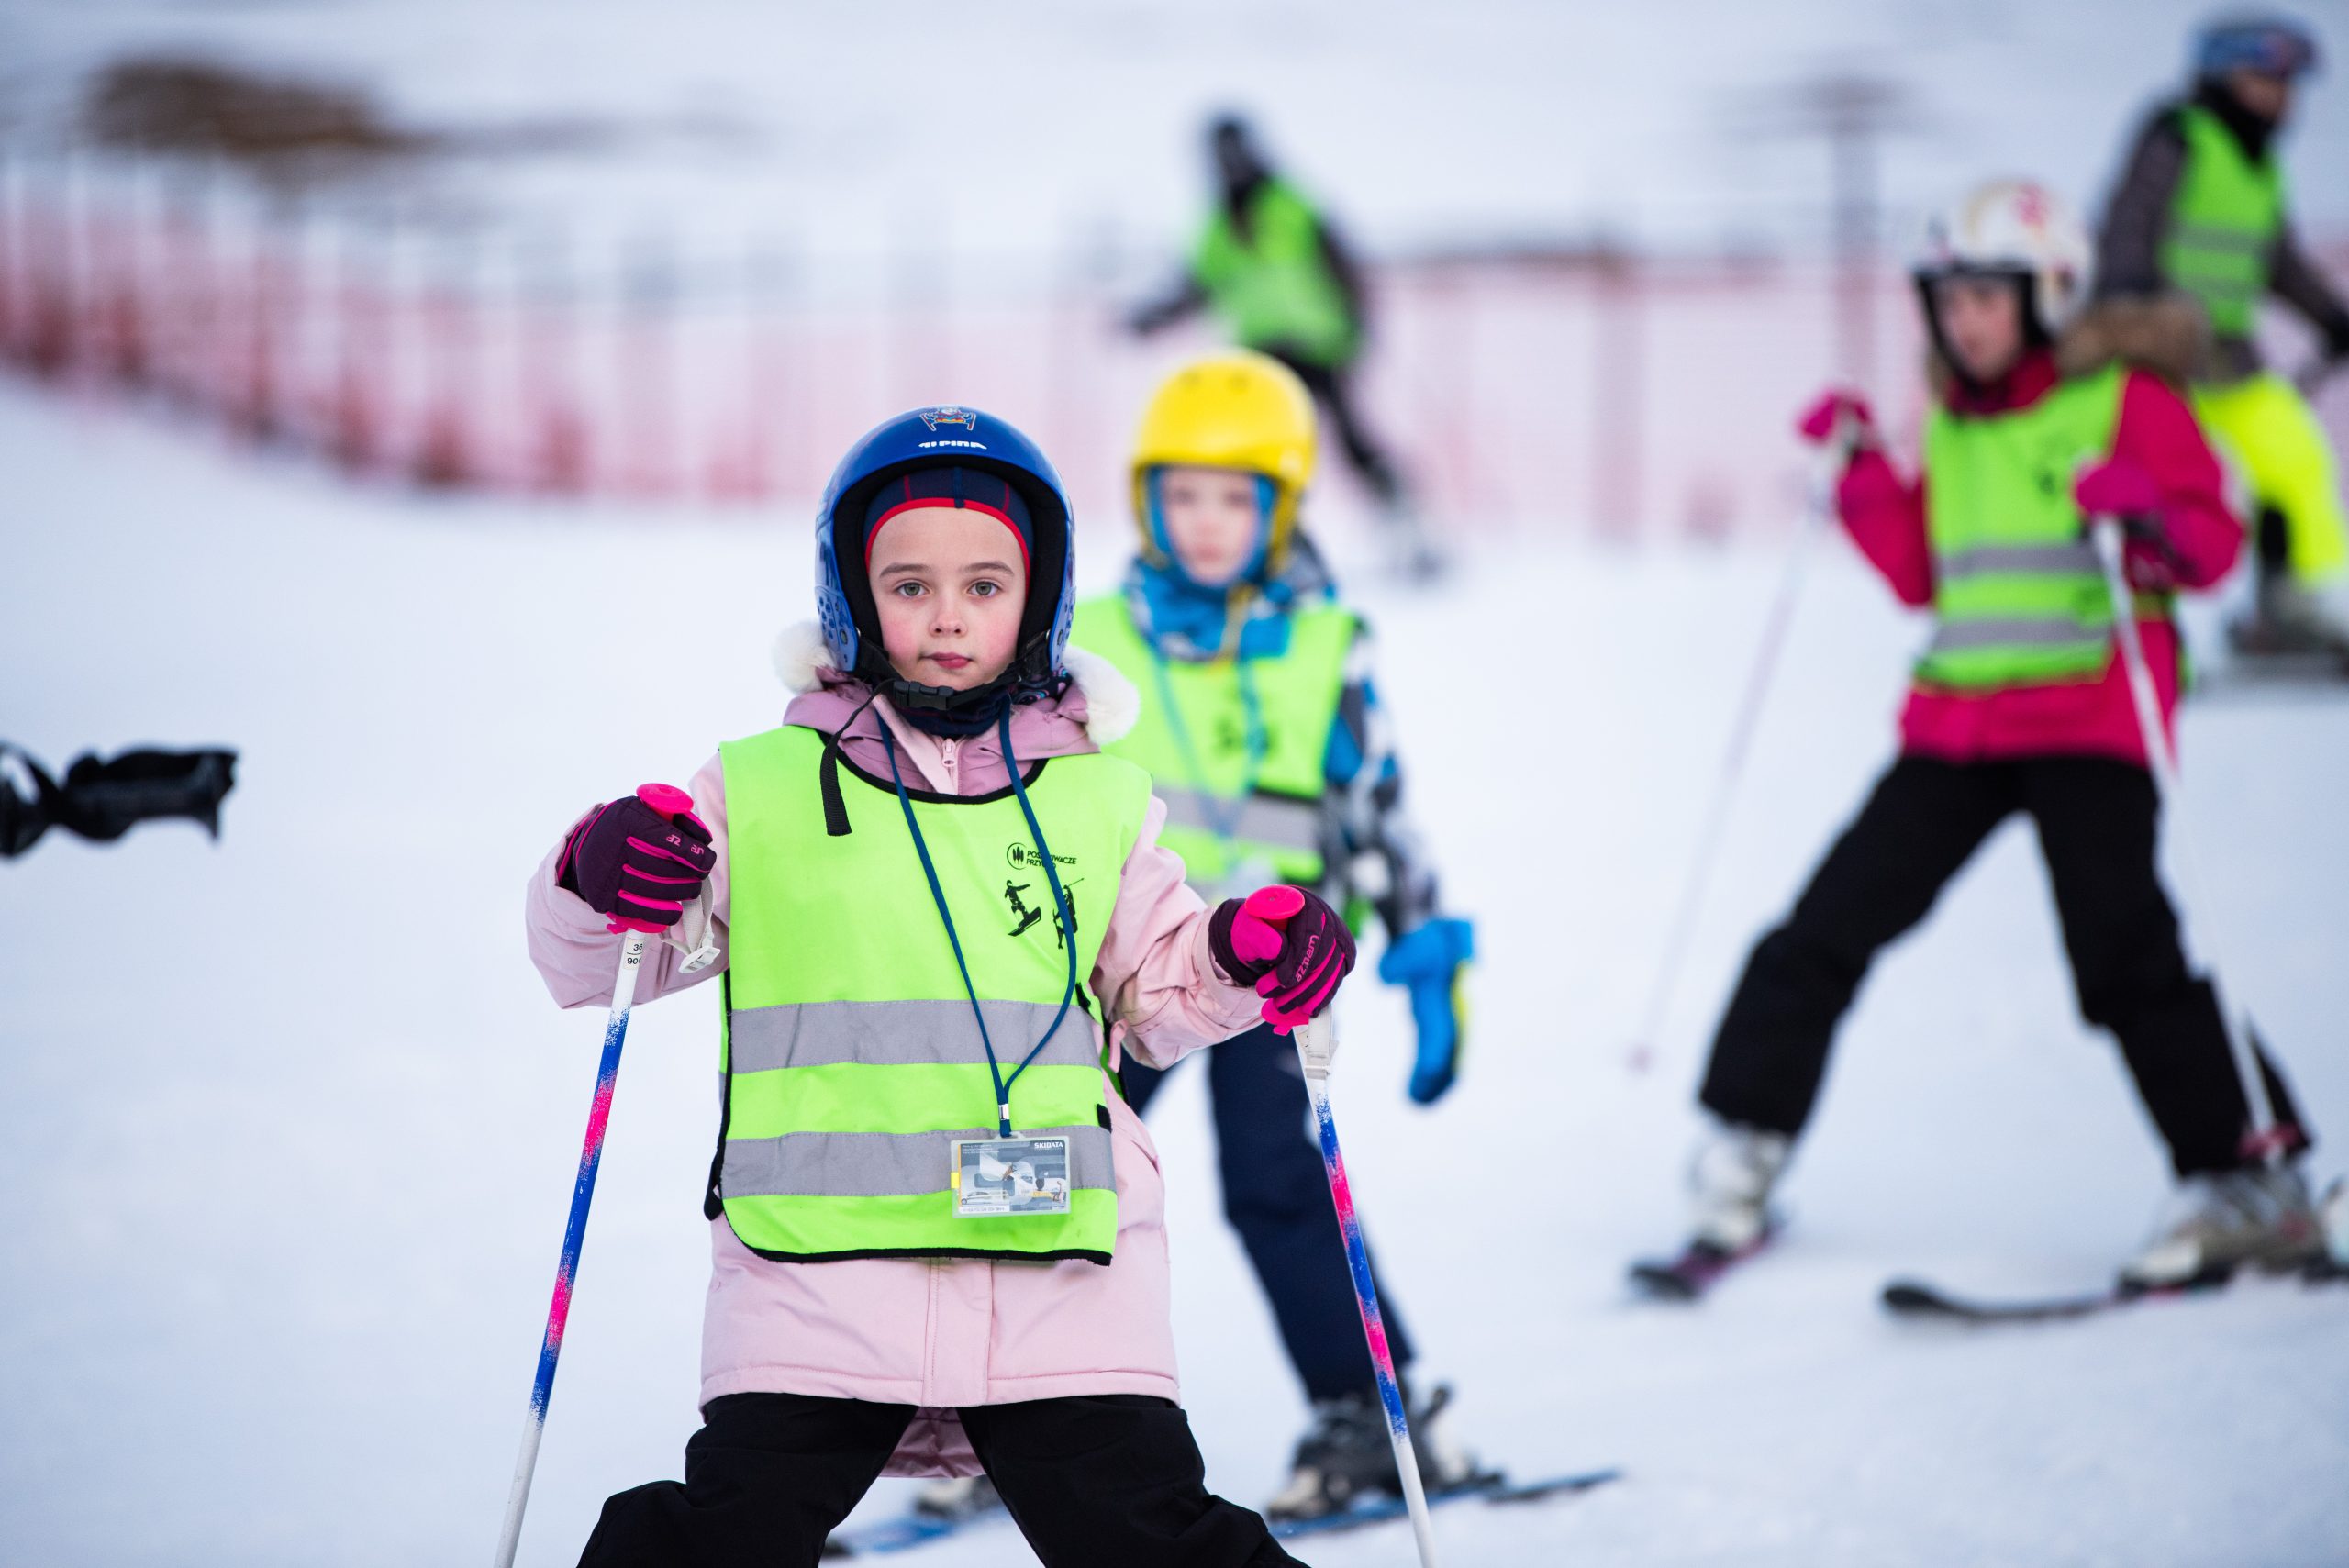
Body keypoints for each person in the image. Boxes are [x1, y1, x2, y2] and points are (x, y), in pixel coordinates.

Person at [523, 405, 1365, 1568]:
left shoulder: (1097, 799)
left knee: (1154, 1538)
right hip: (819, 1275)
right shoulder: (759, 789)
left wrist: (1244, 952)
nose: (948, 616)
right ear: (851, 596)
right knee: (720, 1539)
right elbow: (601, 957)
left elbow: (1160, 992)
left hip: (1057, 1278)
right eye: (908, 585)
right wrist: (596, 872)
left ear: (1042, 596)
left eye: (984, 583)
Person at [1672, 181, 2322, 1292]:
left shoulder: (2126, 401)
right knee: (1820, 928)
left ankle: (2247, 1178)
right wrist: (1868, 473)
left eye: (1986, 295)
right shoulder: (1959, 422)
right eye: (1948, 298)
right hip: (1956, 727)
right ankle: (1743, 1146)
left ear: (2050, 293)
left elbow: (2208, 546)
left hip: (2087, 720)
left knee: (2123, 952)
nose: (1963, 319)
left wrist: (2148, 513)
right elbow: (1928, 573)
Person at [1083, 349, 1478, 1518]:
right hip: (1122, 958)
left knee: (1274, 1182)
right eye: (1184, 496)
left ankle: (1370, 1406)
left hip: (1269, 962)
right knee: (1058, 1166)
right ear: (1147, 500)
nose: (1207, 525)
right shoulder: (1086, 632)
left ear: (1284, 506)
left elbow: (1381, 802)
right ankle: (993, 1400)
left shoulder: (1324, 640)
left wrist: (1427, 953)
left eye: (1238, 499)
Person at [2096, 13, 2349, 661]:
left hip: (2230, 357)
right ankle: (2140, 619)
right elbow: (2127, 231)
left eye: (2287, 84)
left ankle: (2285, 608)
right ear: (2222, 76)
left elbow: (2277, 260)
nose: (2278, 96)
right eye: (2264, 79)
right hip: (2157, 356)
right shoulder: (2176, 139)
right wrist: (2131, 325)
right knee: (2155, 486)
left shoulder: (2260, 169)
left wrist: (2333, 319)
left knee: (2292, 458)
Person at [1128, 115, 1436, 575]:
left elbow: (1341, 263)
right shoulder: (1217, 226)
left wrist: (1360, 320)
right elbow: (1197, 285)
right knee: (1258, 449)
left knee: (1350, 437)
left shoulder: (1292, 205)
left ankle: (1406, 524)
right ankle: (1266, 540)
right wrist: (1152, 317)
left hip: (1319, 343)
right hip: (1262, 356)